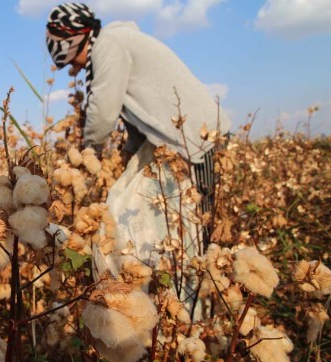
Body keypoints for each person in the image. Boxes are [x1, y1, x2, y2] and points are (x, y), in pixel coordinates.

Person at [46, 3, 231, 295]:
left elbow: (104, 112)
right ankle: (164, 297)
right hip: (176, 141)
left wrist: (86, 153)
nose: (74, 68)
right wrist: (126, 155)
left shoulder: (109, 45)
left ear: (78, 38)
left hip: (194, 141)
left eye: (72, 60)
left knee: (191, 229)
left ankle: (190, 307)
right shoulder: (113, 42)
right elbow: (137, 115)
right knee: (144, 215)